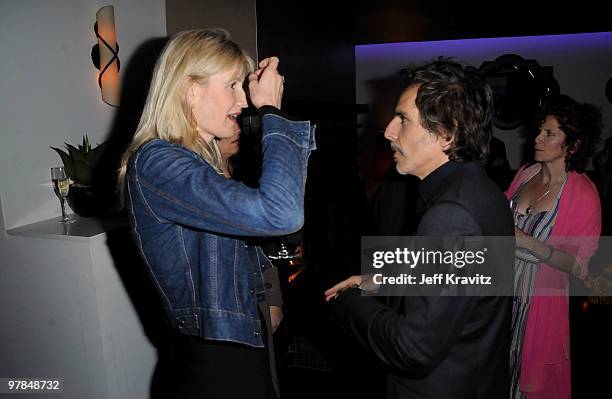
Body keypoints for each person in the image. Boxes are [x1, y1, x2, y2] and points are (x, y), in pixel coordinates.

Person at [117, 29, 315, 399]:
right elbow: (282, 213)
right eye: (233, 86)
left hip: (238, 339)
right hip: (215, 357)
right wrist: (272, 110)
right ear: (191, 89)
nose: (243, 101)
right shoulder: (158, 161)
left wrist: (269, 298)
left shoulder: (196, 162)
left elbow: (240, 243)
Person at [325, 59, 515, 398]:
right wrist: (383, 279)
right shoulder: (481, 191)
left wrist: (348, 303)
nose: (388, 131)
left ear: (447, 133)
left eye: (403, 119)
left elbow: (414, 349)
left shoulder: (452, 212)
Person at [506, 95, 602, 399]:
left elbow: (580, 266)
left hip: (538, 302)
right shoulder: (526, 173)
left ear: (572, 145)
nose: (537, 138)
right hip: (500, 294)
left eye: (550, 134)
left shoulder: (583, 194)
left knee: (527, 381)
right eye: (539, 130)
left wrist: (527, 242)